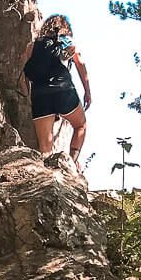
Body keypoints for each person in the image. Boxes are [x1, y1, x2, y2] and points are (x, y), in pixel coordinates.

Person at [21, 14, 91, 170]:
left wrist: (28, 97)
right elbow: (81, 65)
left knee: (45, 148)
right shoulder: (66, 43)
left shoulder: (32, 46)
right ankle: (71, 163)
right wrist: (87, 92)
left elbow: (24, 76)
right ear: (66, 29)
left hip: (40, 94)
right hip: (63, 91)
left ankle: (47, 176)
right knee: (80, 125)